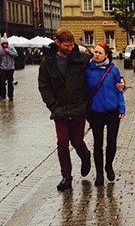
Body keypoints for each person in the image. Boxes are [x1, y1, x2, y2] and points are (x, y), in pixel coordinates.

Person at [38, 28, 92, 191]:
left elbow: (99, 69)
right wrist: (52, 105)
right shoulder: (48, 63)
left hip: (78, 108)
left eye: (71, 45)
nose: (70, 48)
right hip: (60, 110)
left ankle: (85, 156)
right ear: (58, 43)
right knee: (62, 143)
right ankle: (66, 177)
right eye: (66, 45)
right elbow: (44, 86)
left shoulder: (82, 59)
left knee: (76, 141)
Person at [86, 43, 126, 186]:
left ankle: (108, 165)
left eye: (100, 53)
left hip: (112, 111)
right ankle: (99, 174)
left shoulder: (113, 70)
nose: (96, 55)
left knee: (111, 142)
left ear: (106, 55)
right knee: (98, 144)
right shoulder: (88, 70)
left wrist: (122, 108)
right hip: (95, 112)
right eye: (95, 52)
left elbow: (119, 89)